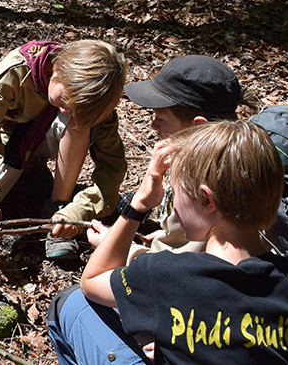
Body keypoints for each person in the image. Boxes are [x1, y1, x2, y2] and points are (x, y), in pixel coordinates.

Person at [47, 121, 288, 365]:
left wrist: (139, 205)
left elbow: (92, 280)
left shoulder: (167, 275)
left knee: (70, 304)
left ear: (206, 200)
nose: (173, 203)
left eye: (175, 192)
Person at [0, 40, 127, 259]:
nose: (67, 109)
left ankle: (56, 206)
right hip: (9, 144)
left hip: (50, 140)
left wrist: (78, 211)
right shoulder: (17, 71)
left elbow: (112, 168)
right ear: (58, 69)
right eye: (67, 99)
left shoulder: (95, 98)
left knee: (81, 122)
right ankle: (29, 172)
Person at [86, 55, 242, 259]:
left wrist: (115, 245)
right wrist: (169, 236)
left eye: (160, 118)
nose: (153, 126)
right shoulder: (236, 156)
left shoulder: (199, 184)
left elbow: (176, 267)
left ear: (198, 126)